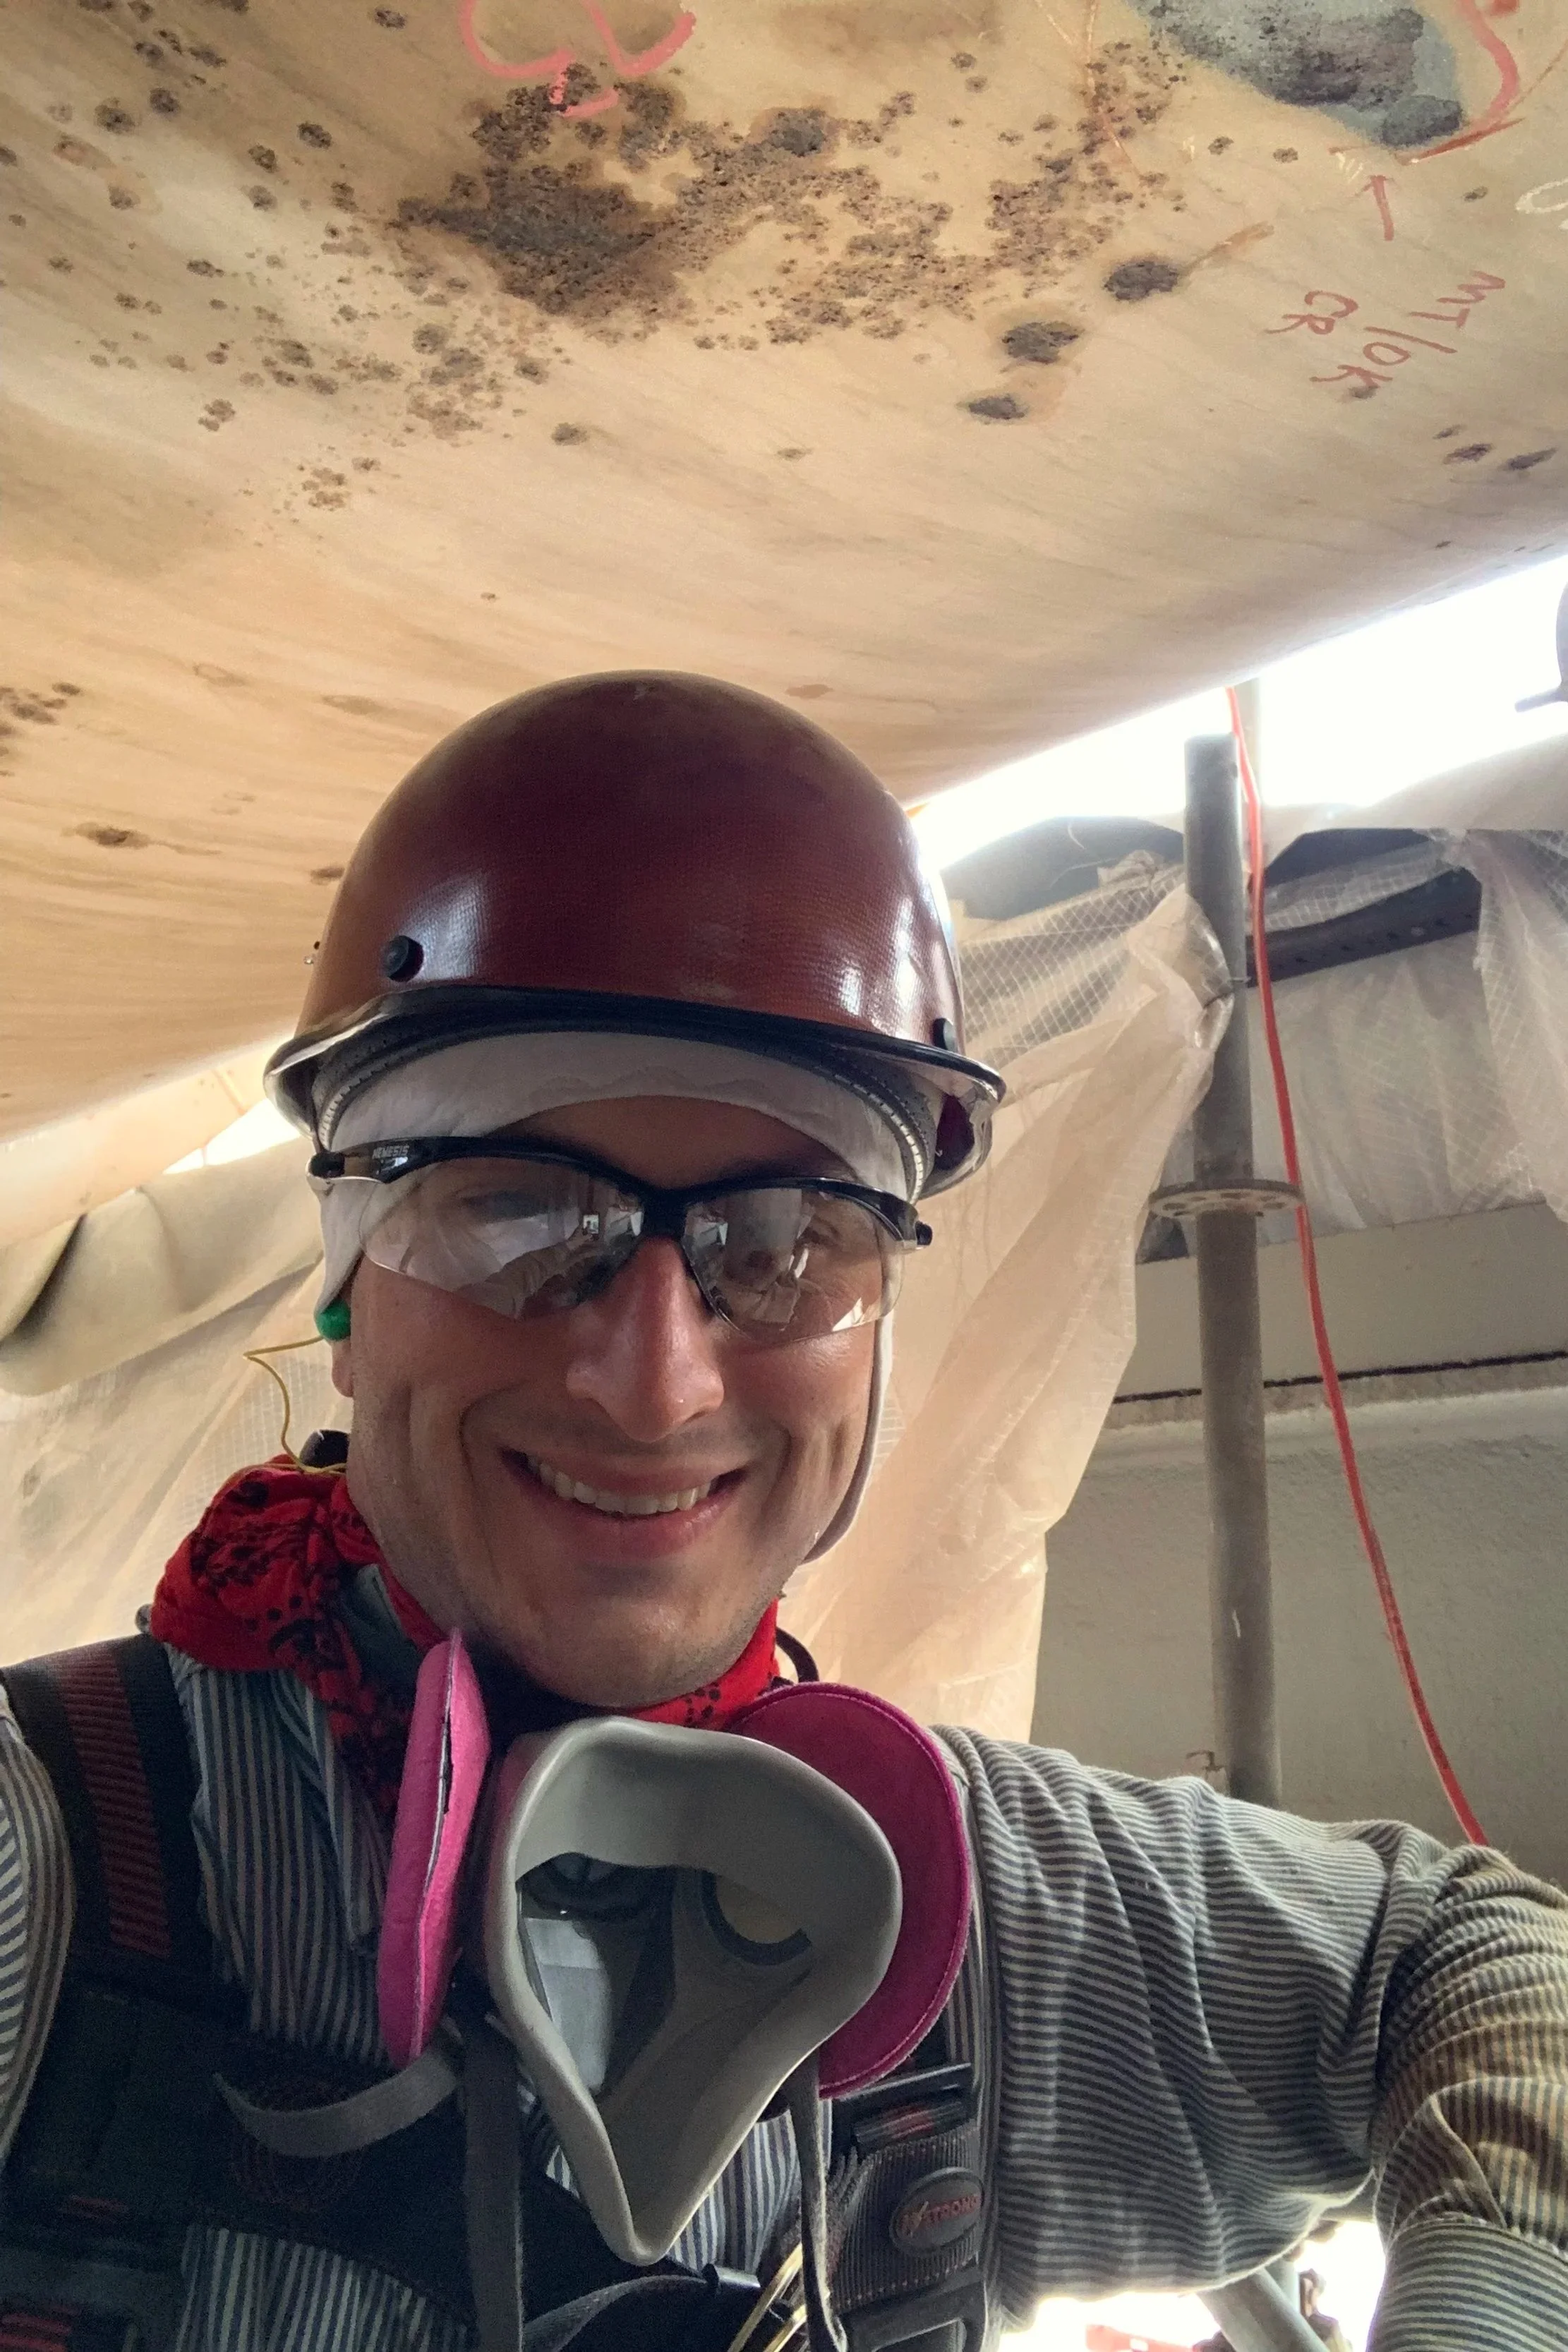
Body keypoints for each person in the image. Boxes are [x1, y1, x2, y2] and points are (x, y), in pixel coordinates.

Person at [2, 672, 1567, 2352]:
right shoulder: (59, 1870)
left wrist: (1491, 2299)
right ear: (343, 1285)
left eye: (786, 1240)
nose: (657, 1384)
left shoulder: (973, 1911)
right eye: (519, 1215)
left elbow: (1472, 1954)